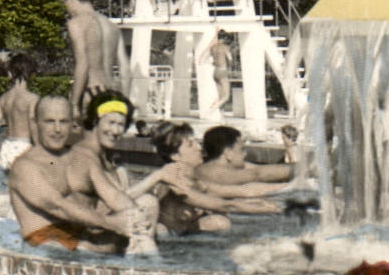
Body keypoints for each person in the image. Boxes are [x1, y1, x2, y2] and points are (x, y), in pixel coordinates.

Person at [5, 95, 143, 253]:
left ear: (72, 123)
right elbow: (59, 207)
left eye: (63, 121)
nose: (57, 129)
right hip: (47, 248)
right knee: (79, 247)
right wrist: (114, 224)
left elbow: (113, 196)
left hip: (84, 238)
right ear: (35, 124)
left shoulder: (81, 158)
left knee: (147, 205)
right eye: (49, 121)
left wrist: (135, 215)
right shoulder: (24, 167)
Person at [62, 91, 162, 253]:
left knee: (148, 204)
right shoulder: (83, 156)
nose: (115, 131)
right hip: (83, 238)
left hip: (99, 230)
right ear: (96, 121)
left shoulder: (103, 156)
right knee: (147, 205)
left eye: (120, 124)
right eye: (111, 122)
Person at [141, 121, 282, 235]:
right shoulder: (173, 178)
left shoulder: (194, 175)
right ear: (175, 156)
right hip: (168, 237)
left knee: (221, 222)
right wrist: (271, 210)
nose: (199, 147)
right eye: (191, 145)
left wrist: (279, 192)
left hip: (184, 232)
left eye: (196, 142)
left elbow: (238, 191)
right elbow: (225, 204)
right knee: (162, 232)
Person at [62, 0, 126, 109]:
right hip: (111, 92)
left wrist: (74, 104)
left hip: (91, 92)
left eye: (65, 3)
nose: (67, 9)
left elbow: (83, 64)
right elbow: (125, 69)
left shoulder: (77, 24)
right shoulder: (112, 26)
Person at [0, 53, 39, 181]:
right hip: (25, 147)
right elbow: (33, 127)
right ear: (30, 73)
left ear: (11, 73)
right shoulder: (32, 99)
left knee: (13, 190)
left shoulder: (3, 99)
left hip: (7, 148)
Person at [196, 125, 294, 188]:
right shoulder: (214, 172)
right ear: (228, 153)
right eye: (242, 149)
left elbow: (260, 169)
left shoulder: (227, 166)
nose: (245, 154)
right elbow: (257, 174)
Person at [201, 31, 236, 118]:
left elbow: (206, 60)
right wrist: (230, 68)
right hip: (222, 71)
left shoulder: (212, 47)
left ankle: (220, 113)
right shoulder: (225, 47)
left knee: (220, 95)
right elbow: (230, 59)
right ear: (224, 38)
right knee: (226, 96)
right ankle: (211, 111)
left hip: (215, 71)